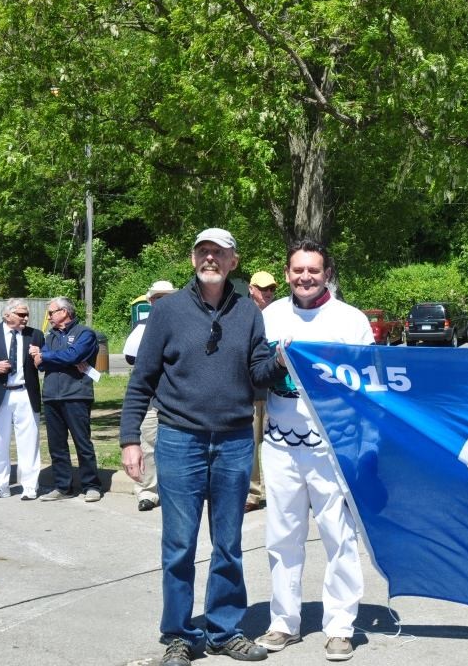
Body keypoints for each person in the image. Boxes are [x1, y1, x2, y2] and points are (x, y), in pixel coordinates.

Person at [120, 228, 282, 666]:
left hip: (232, 440)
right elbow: (143, 380)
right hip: (179, 439)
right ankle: (179, 635)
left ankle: (224, 630)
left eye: (219, 253)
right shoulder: (168, 311)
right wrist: (130, 439)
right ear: (194, 260)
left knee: (228, 543)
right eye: (203, 251)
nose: (210, 258)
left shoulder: (249, 312)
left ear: (233, 262)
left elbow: (258, 371)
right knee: (179, 544)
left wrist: (281, 361)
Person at [255, 240, 372, 661]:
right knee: (282, 535)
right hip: (280, 441)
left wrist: (363, 446)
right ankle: (283, 621)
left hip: (333, 445)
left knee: (338, 536)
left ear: (327, 274)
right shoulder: (268, 316)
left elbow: (368, 388)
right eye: (298, 270)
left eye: (314, 270)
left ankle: (340, 625)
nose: (306, 277)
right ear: (286, 274)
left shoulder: (350, 320)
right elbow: (253, 372)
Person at [30, 297, 101, 502]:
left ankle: (91, 485)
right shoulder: (49, 336)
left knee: (82, 442)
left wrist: (47, 356)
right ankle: (63, 486)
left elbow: (74, 356)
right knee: (57, 444)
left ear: (64, 312)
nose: (49, 317)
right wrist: (48, 357)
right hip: (52, 395)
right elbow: (40, 364)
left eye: (51, 313)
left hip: (76, 395)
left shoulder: (85, 333)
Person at [0, 299, 44, 500]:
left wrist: (39, 357)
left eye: (26, 314)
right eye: (21, 314)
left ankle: (30, 486)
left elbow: (43, 364)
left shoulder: (35, 334)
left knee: (29, 442)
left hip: (25, 393)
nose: (26, 318)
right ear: (7, 315)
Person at [123, 280, 178, 512]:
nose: (162, 301)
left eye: (167, 296)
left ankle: (176, 490)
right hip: (151, 398)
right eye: (158, 297)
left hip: (177, 399)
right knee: (147, 444)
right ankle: (147, 492)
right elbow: (131, 358)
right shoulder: (142, 327)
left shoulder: (185, 323)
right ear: (150, 301)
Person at [246, 270, 277, 513]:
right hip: (253, 391)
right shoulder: (243, 314)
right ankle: (252, 493)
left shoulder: (281, 315)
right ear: (251, 289)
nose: (267, 293)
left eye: (271, 289)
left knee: (277, 444)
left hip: (277, 391)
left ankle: (278, 491)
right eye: (262, 288)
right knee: (251, 444)